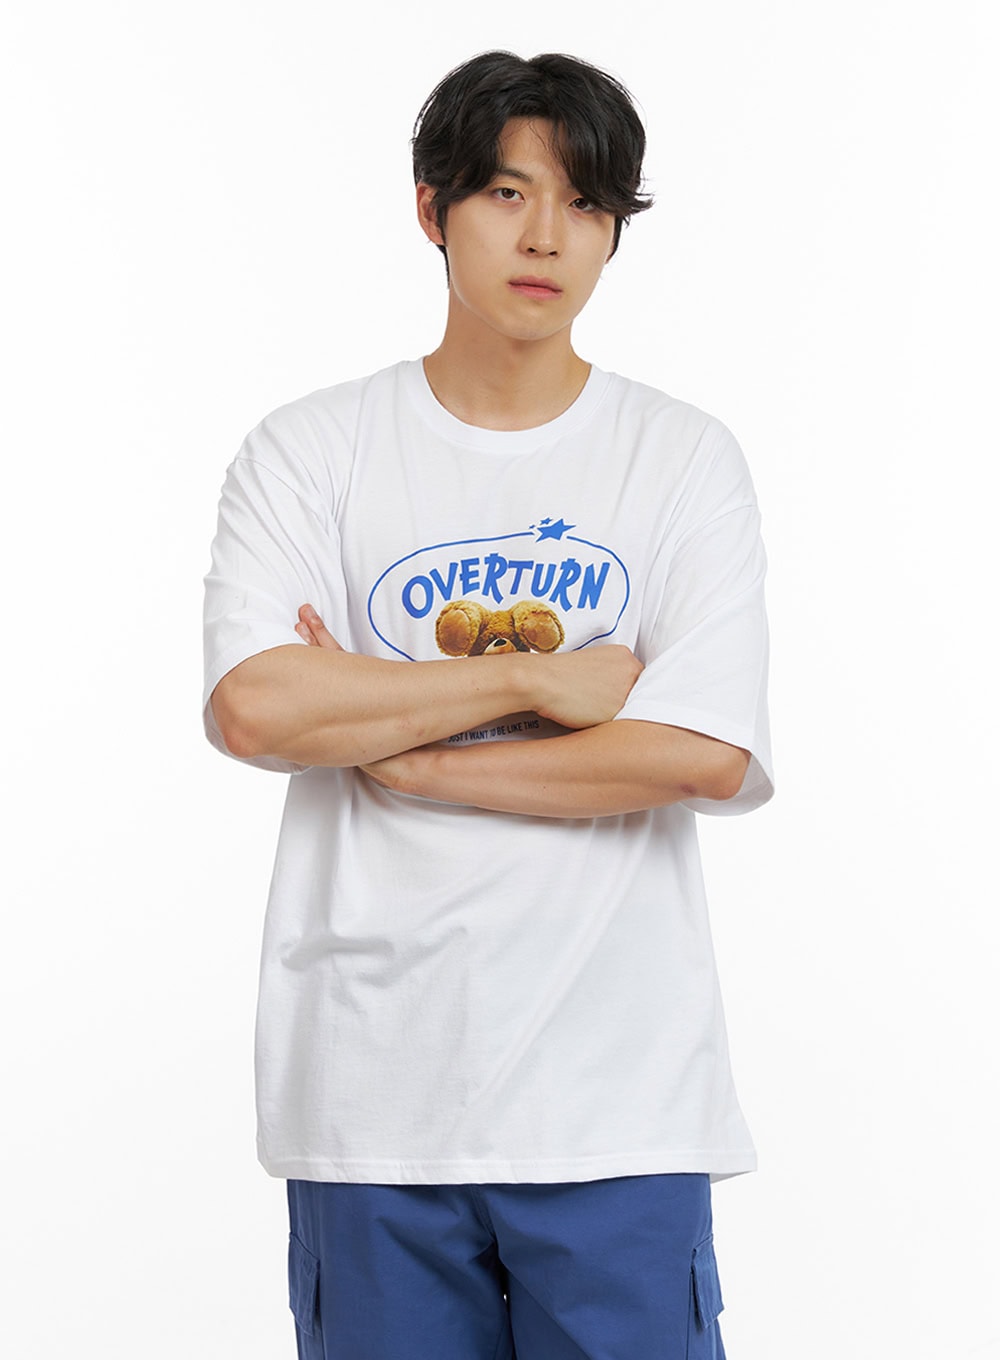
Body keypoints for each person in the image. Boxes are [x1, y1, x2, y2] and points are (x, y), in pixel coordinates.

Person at [203, 49, 772, 1360]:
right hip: (370, 1102)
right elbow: (258, 708)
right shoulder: (312, 451)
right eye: (509, 194)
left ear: (615, 231)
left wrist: (405, 749)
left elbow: (696, 749)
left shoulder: (679, 458)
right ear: (433, 208)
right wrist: (530, 681)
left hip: (619, 1106)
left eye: (586, 204)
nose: (546, 237)